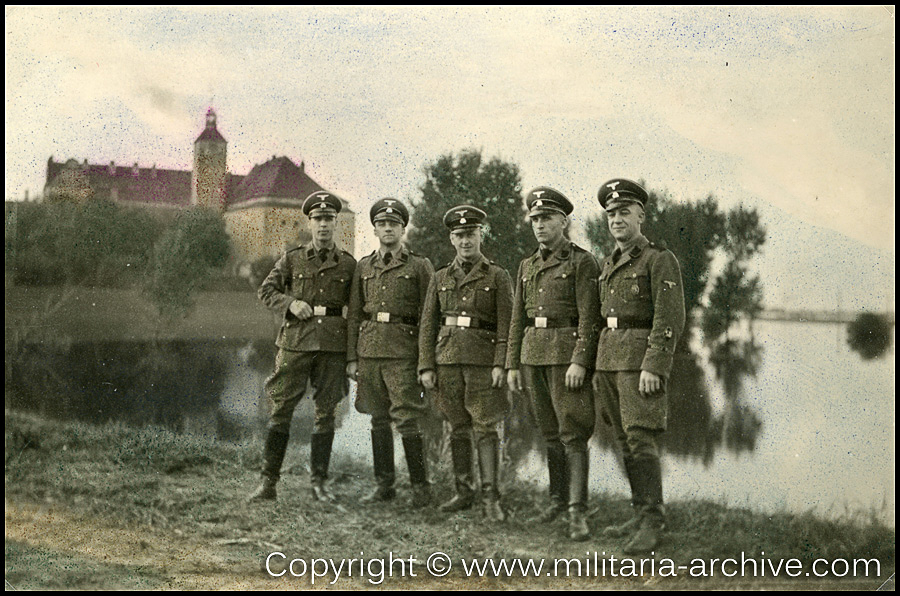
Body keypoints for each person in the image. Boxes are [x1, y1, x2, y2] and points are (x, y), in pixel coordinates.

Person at [592, 178, 685, 554]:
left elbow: (669, 318)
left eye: (624, 212)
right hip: (609, 362)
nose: (616, 219)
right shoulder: (608, 262)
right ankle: (638, 512)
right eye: (611, 214)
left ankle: (653, 521)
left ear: (640, 216)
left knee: (641, 439)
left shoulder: (658, 259)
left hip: (638, 363)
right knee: (623, 441)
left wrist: (655, 366)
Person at [250, 191, 357, 503]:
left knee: (326, 414)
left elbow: (355, 312)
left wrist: (351, 356)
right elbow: (266, 290)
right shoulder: (292, 258)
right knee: (281, 409)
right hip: (295, 344)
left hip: (332, 348)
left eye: (329, 219)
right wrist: (291, 303)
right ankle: (267, 483)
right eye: (318, 219)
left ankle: (318, 484)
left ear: (336, 223)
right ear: (310, 222)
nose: (324, 225)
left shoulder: (348, 266)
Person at [506, 187, 601, 541]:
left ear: (564, 221)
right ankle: (557, 501)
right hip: (533, 356)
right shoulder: (527, 265)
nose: (540, 225)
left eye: (546, 218)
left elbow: (590, 318)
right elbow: (518, 318)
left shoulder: (581, 262)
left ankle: (578, 512)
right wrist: (513, 363)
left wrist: (581, 361)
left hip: (566, 358)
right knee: (548, 433)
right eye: (535, 219)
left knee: (573, 433)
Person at [418, 205, 513, 522]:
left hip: (484, 364)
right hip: (447, 362)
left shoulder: (497, 276)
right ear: (451, 239)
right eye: (459, 235)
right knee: (456, 427)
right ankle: (463, 491)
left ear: (480, 235)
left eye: (471, 234)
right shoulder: (440, 277)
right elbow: (428, 326)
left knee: (486, 428)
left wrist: (501, 363)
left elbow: (507, 326)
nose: (465, 241)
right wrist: (426, 366)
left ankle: (490, 498)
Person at [346, 198, 435, 508]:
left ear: (403, 228)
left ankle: (421, 489)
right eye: (382, 224)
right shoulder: (363, 266)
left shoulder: (419, 266)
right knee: (378, 420)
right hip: (370, 352)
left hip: (403, 352)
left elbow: (429, 316)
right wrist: (352, 358)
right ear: (374, 229)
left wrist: (425, 361)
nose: (387, 229)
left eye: (393, 224)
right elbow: (355, 314)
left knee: (407, 420)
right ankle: (385, 486)